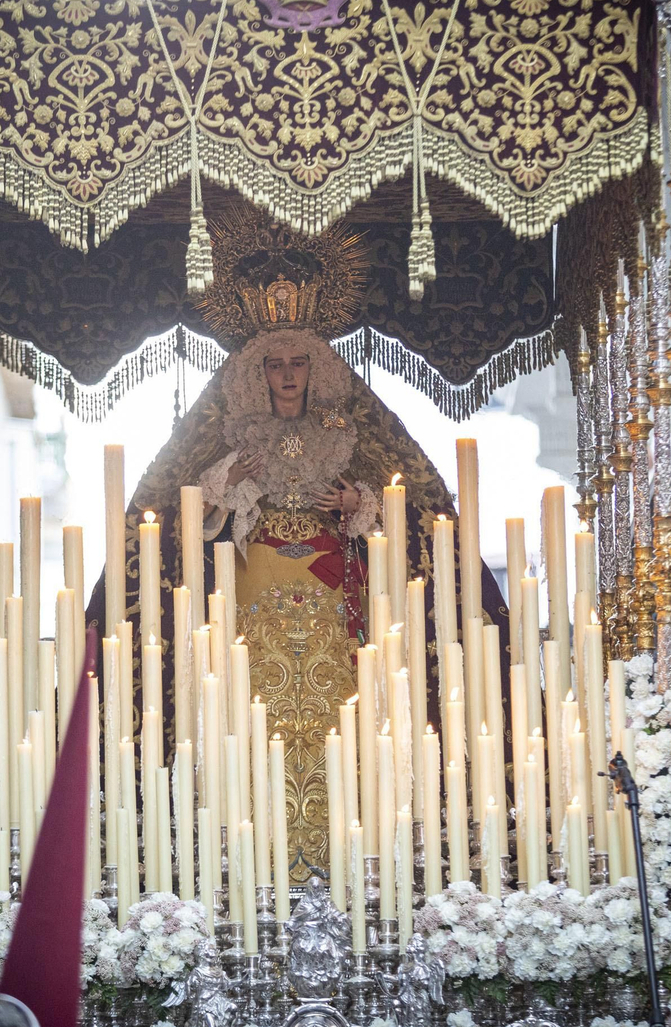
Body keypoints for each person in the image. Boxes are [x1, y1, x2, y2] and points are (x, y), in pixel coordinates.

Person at [88, 212, 508, 876]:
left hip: (335, 621)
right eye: (276, 366)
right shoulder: (225, 440)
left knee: (346, 737)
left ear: (317, 371)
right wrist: (228, 491)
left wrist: (358, 507)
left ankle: (354, 858)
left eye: (298, 365)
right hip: (248, 622)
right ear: (257, 373)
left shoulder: (353, 436)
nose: (288, 377)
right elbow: (176, 531)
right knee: (247, 736)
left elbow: (411, 528)